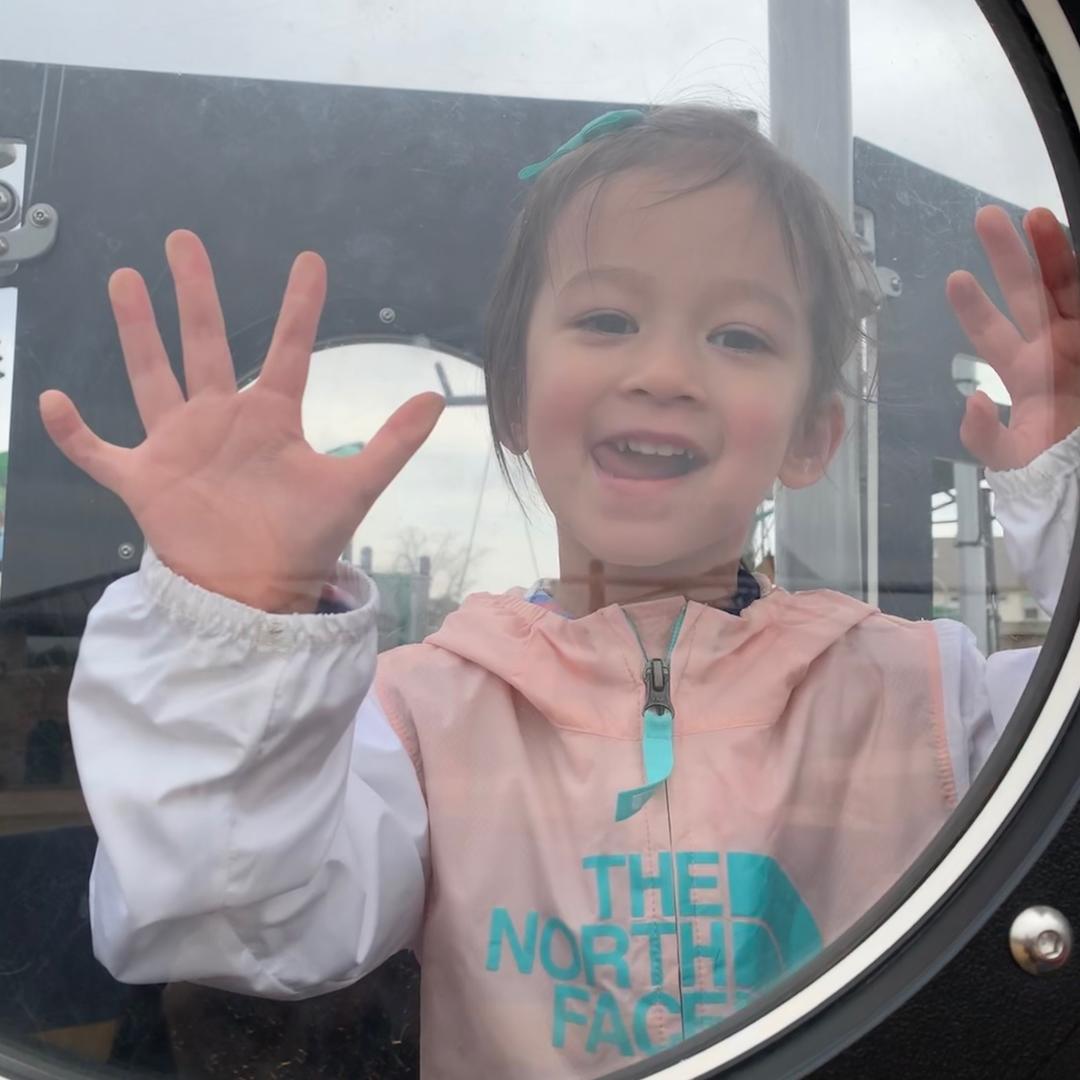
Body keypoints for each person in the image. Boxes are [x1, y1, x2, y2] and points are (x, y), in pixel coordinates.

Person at [44, 106, 1080, 1078]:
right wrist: (240, 622)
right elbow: (226, 920)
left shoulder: (935, 703)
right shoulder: (416, 720)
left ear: (811, 435)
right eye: (607, 317)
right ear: (514, 401)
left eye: (738, 337)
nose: (664, 370)